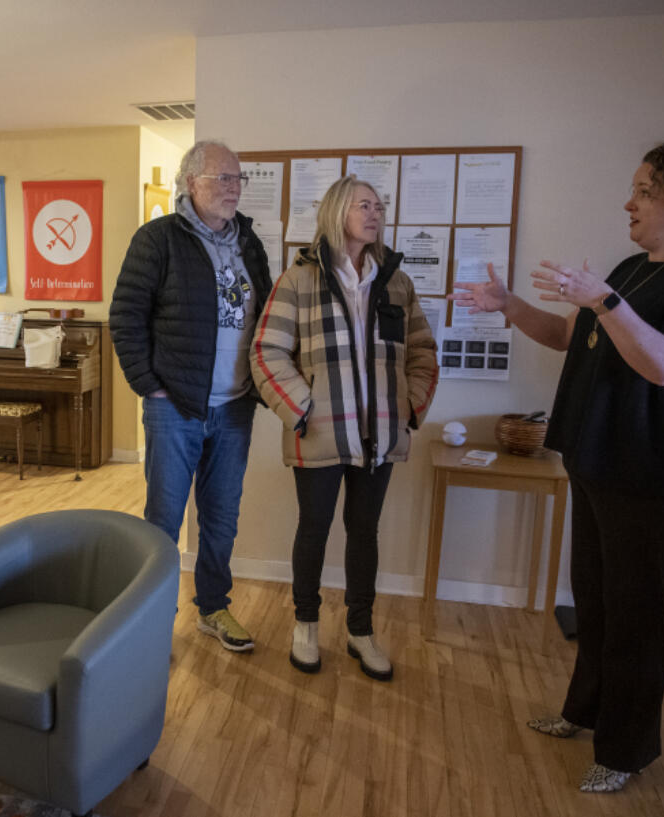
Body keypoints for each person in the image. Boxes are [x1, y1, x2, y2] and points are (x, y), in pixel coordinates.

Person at [450, 142, 664, 792]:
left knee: (635, 613)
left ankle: (626, 747)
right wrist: (507, 304)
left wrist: (606, 302)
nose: (629, 202)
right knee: (594, 601)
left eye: (644, 190)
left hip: (650, 477)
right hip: (597, 462)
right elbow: (567, 336)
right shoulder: (633, 267)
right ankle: (582, 712)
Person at [251, 176, 437, 679]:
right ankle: (305, 626)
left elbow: (422, 352)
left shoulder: (397, 281)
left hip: (380, 433)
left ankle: (360, 630)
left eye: (380, 206)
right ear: (337, 211)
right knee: (312, 529)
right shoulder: (299, 279)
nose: (376, 213)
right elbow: (267, 352)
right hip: (320, 432)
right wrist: (305, 410)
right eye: (364, 205)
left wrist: (409, 406)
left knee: (364, 532)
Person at [110, 140, 272, 652]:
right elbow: (126, 317)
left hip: (235, 407)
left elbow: (266, 318)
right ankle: (151, 621)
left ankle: (213, 608)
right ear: (190, 183)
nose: (233, 189)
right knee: (163, 518)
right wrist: (149, 386)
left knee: (222, 517)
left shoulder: (250, 243)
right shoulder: (157, 240)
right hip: (174, 406)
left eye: (238, 179)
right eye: (222, 178)